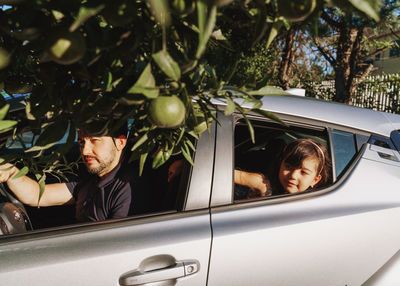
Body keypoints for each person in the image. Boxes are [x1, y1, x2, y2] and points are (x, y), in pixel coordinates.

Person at [0, 122, 137, 222]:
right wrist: (10, 173)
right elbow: (37, 195)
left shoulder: (127, 191)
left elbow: (116, 247)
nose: (85, 151)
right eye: (82, 142)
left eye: (95, 141)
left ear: (120, 142)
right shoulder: (92, 176)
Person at [234, 138, 331, 200]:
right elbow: (222, 174)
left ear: (315, 180)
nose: (293, 175)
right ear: (280, 164)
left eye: (303, 172)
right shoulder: (263, 184)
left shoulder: (313, 205)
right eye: (288, 167)